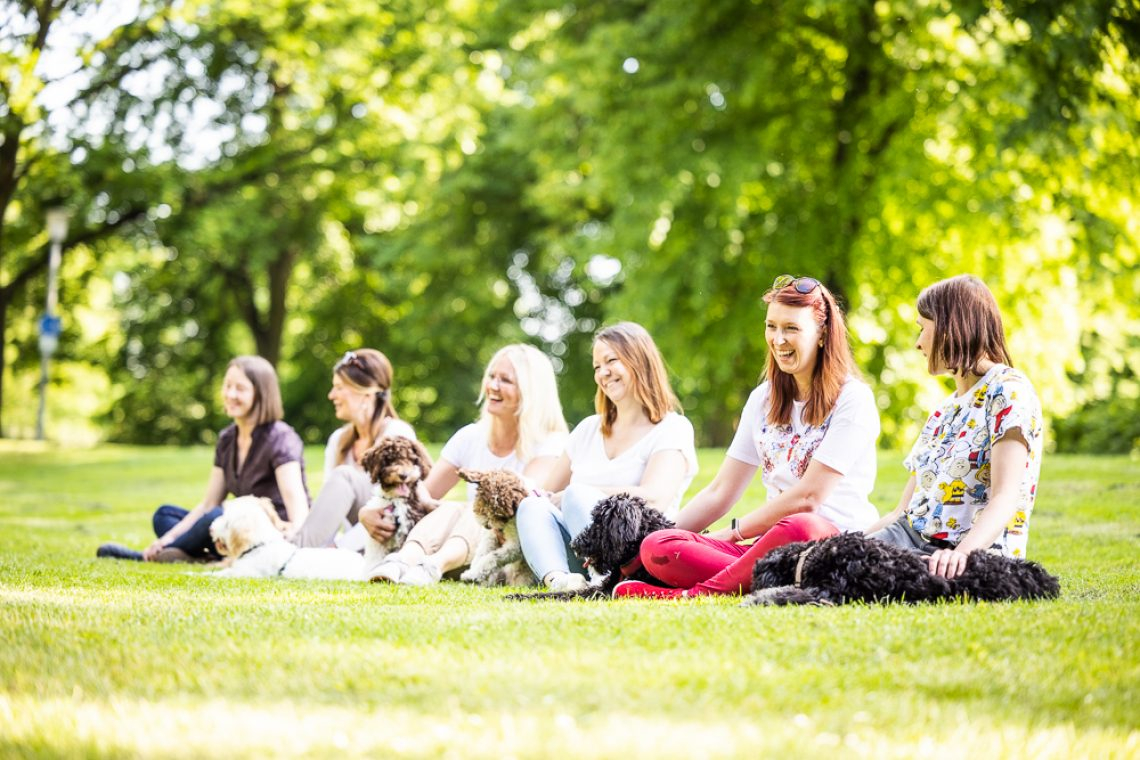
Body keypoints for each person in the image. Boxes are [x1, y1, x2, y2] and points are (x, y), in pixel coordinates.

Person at [613, 275, 880, 599]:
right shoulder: (763, 399)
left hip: (829, 546)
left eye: (791, 329)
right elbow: (720, 491)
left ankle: (691, 595)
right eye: (772, 327)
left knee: (801, 525)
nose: (778, 340)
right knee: (659, 546)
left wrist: (733, 533)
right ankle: (751, 579)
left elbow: (809, 498)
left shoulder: (853, 399)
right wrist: (643, 550)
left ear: (822, 333)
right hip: (767, 551)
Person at [863, 274, 1043, 577]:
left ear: (952, 327)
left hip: (966, 554)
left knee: (848, 576)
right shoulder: (944, 410)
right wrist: (849, 544)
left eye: (923, 328)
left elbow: (1005, 496)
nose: (918, 343)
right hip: (910, 539)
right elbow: (901, 513)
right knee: (826, 560)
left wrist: (960, 556)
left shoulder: (1008, 391)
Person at [361, 344, 569, 584]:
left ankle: (433, 566)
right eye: (491, 376)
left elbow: (520, 507)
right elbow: (423, 498)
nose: (493, 386)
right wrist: (369, 511)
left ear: (530, 392)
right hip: (466, 554)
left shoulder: (551, 443)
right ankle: (401, 562)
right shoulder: (470, 436)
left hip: (509, 557)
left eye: (506, 380)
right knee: (450, 508)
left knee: (476, 507)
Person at [516, 322, 699, 592]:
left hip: (634, 553)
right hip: (583, 553)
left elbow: (656, 495)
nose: (603, 373)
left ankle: (605, 581)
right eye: (597, 366)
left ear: (639, 360)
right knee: (532, 506)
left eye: (611, 360)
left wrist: (580, 493)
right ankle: (561, 582)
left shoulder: (672, 428)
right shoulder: (588, 429)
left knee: (577, 494)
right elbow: (548, 493)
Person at [96, 355, 310, 562]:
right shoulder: (227, 439)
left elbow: (297, 509)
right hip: (234, 532)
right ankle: (193, 555)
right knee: (165, 515)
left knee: (215, 517)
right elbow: (208, 503)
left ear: (261, 394)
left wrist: (294, 537)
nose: (230, 394)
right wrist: (167, 538)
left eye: (240, 388)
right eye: (227, 386)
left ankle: (154, 557)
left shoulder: (280, 437)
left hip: (269, 535)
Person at [290, 349, 416, 549]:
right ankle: (301, 550)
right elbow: (328, 512)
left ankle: (295, 552)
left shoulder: (396, 434)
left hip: (393, 538)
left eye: (339, 388)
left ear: (366, 393)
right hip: (356, 545)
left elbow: (399, 505)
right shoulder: (338, 441)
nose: (332, 395)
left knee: (345, 476)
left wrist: (340, 547)